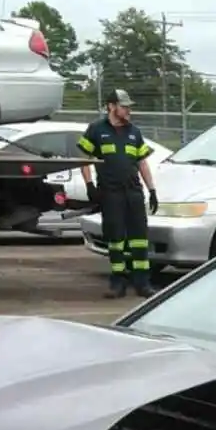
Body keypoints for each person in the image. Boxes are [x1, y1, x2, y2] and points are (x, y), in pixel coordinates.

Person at [79, 90, 159, 297]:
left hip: (133, 192)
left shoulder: (134, 132)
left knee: (139, 239)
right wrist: (89, 186)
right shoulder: (96, 129)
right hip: (110, 193)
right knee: (115, 239)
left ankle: (142, 283)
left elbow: (142, 162)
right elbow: (85, 158)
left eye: (129, 106)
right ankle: (118, 283)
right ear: (111, 106)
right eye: (124, 106)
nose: (128, 110)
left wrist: (151, 190)